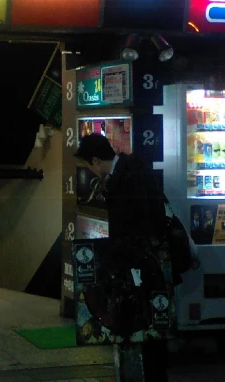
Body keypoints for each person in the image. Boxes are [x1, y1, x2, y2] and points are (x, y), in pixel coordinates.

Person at [74, 133, 168, 381]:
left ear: (95, 160)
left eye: (88, 165)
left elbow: (129, 226)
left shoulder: (122, 180)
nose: (91, 172)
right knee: (150, 325)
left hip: (138, 263)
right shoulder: (133, 167)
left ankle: (148, 374)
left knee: (140, 323)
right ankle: (153, 372)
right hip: (149, 259)